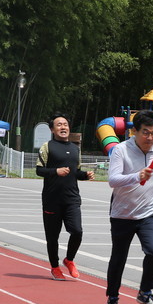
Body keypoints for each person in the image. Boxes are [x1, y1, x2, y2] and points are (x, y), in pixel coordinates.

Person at [104, 110, 153, 304]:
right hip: (122, 213)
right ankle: (113, 298)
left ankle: (145, 291)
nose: (150, 138)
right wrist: (136, 176)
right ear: (134, 131)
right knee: (119, 258)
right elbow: (113, 180)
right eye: (145, 133)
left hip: (149, 211)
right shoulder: (121, 150)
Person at [37, 113, 94, 280]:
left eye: (65, 124)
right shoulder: (47, 147)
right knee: (52, 237)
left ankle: (69, 259)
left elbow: (75, 172)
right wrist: (56, 171)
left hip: (72, 199)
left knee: (77, 231)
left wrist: (85, 175)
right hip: (52, 199)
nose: (63, 127)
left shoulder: (76, 149)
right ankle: (55, 267)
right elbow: (39, 170)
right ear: (52, 129)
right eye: (59, 125)